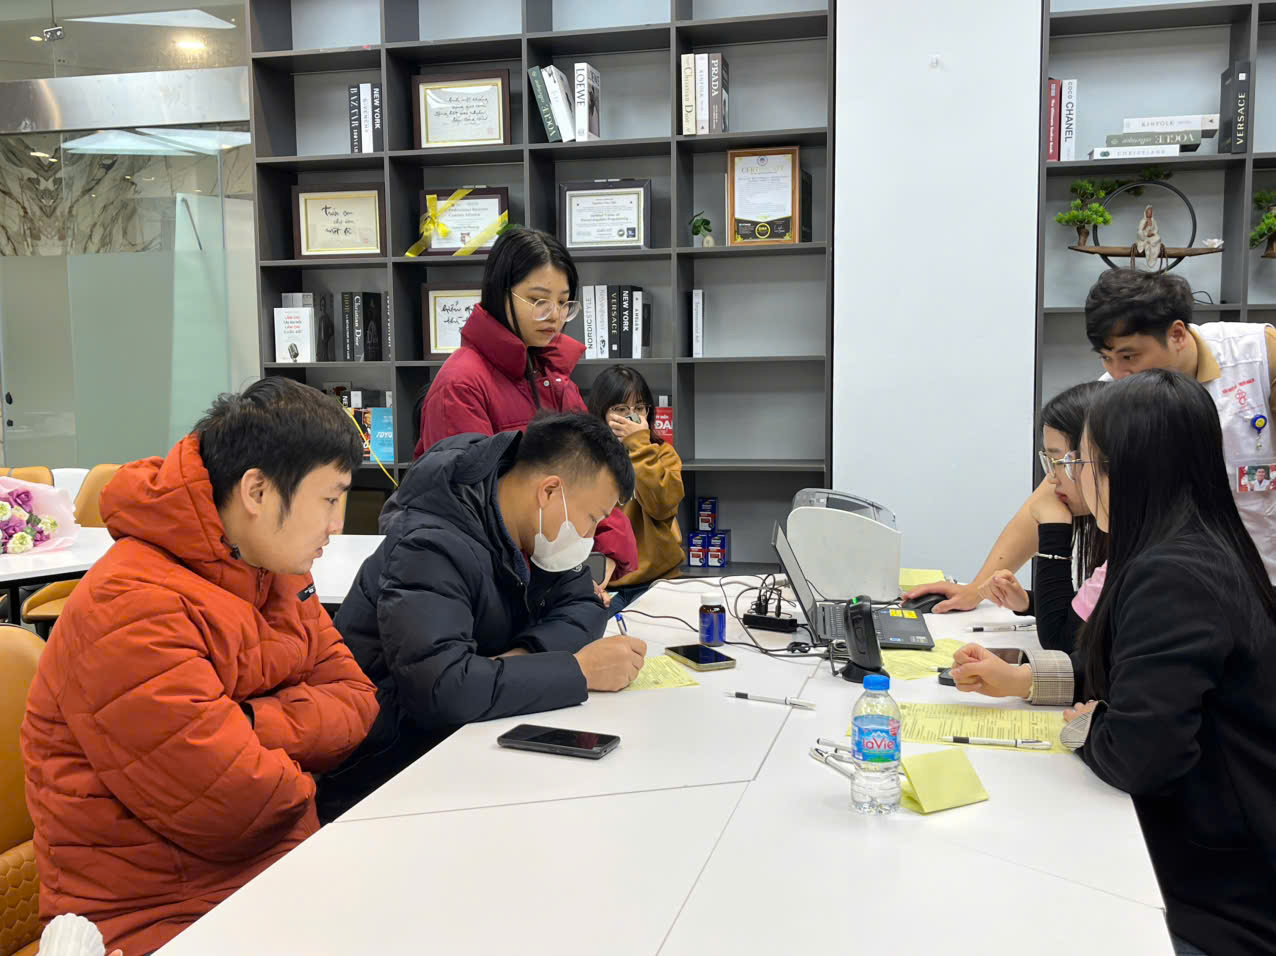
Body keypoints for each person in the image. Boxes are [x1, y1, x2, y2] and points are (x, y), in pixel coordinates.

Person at [20, 378, 380, 955]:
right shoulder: (131, 606)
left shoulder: (274, 567)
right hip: (157, 915)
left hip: (272, 876)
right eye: (330, 499)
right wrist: (306, 770)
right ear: (257, 491)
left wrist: (249, 722)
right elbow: (237, 806)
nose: (337, 525)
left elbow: (357, 697)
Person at [950, 370, 1276, 956]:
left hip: (1214, 897)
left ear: (1127, 470)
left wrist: (1087, 725)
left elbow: (1138, 756)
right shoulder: (1190, 545)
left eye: (1081, 463)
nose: (1071, 478)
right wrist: (1032, 681)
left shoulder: (1172, 574)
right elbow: (1126, 671)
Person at [323, 412, 646, 819]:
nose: (589, 537)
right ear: (549, 491)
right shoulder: (430, 545)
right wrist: (577, 671)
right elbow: (443, 690)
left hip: (469, 743)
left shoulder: (534, 534)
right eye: (592, 519)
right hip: (390, 771)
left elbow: (585, 603)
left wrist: (521, 660)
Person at [905, 267, 1276, 611]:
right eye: (1106, 358)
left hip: (1264, 581)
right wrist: (978, 589)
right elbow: (1057, 486)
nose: (1118, 373)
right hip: (1183, 590)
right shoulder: (1114, 396)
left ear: (1177, 334)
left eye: (1129, 356)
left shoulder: (1259, 356)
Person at [411, 226, 637, 578]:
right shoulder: (461, 384)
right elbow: (470, 514)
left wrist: (606, 556)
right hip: (502, 581)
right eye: (539, 300)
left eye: (563, 302)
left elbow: (597, 476)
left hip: (558, 575)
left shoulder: (555, 379)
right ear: (502, 293)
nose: (554, 315)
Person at [975, 382, 1108, 652]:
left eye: (1060, 462)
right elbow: (1090, 615)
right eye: (1049, 461)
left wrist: (1054, 528)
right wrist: (1029, 602)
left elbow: (1062, 642)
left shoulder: (1139, 553)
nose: (1052, 477)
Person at [585, 365, 685, 610]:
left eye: (639, 409)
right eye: (620, 410)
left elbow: (662, 507)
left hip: (659, 579)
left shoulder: (662, 453)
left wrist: (638, 446)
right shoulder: (585, 458)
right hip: (605, 583)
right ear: (601, 413)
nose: (631, 419)